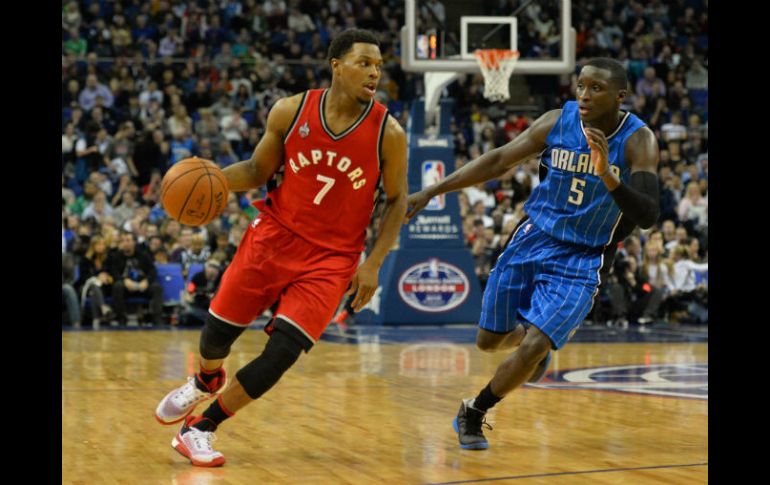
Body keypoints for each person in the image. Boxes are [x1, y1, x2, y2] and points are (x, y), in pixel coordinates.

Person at [155, 29, 408, 467]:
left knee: (281, 354)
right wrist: (211, 180)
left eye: (378, 66)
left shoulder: (389, 132)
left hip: (332, 259)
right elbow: (256, 168)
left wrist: (374, 263)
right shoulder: (292, 110)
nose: (374, 72)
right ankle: (206, 379)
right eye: (364, 63)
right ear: (336, 66)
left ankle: (200, 428)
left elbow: (398, 199)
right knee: (218, 333)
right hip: (274, 235)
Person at [406, 58, 660, 450]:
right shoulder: (558, 121)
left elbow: (647, 213)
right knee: (489, 341)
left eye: (596, 88)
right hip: (533, 238)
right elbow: (497, 160)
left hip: (584, 255)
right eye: (581, 86)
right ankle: (531, 350)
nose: (585, 95)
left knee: (536, 343)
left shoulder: (638, 140)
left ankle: (474, 410)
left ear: (620, 95)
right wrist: (432, 191)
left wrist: (609, 175)